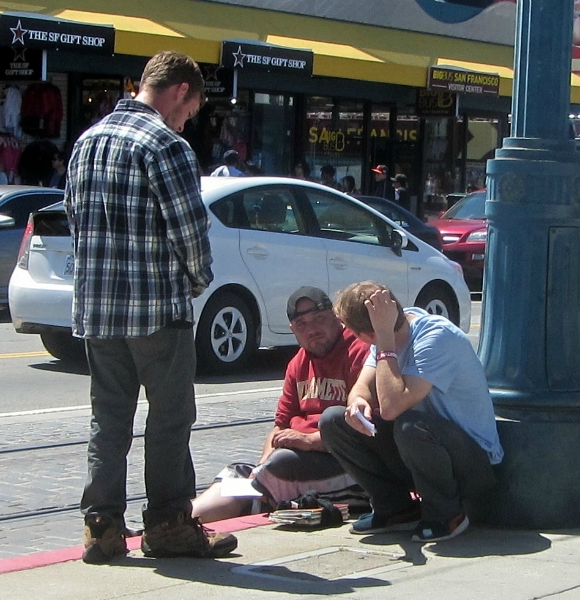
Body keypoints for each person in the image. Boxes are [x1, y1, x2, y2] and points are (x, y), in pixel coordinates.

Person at [64, 50, 237, 565]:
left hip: (98, 310)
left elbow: (75, 217)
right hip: (157, 309)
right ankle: (166, 524)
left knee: (109, 417)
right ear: (180, 91)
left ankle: (102, 528)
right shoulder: (167, 144)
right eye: (190, 110)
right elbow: (189, 230)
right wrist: (198, 281)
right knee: (169, 418)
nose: (188, 121)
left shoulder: (86, 142)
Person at [320, 281, 503, 543]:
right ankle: (395, 509)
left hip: (470, 465)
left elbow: (392, 408)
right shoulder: (388, 330)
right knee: (334, 421)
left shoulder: (436, 338)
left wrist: (384, 341)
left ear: (367, 335)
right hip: (423, 454)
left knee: (408, 424)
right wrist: (358, 401)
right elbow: (363, 385)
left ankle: (447, 514)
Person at [191, 286, 371, 523]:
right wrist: (262, 465)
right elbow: (279, 426)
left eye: (319, 319)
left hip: (346, 463)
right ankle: (181, 520)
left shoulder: (359, 351)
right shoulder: (298, 363)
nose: (312, 330)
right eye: (302, 325)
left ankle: (203, 517)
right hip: (293, 463)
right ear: (293, 331)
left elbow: (366, 426)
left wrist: (309, 442)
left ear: (337, 319)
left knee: (279, 466)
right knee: (238, 473)